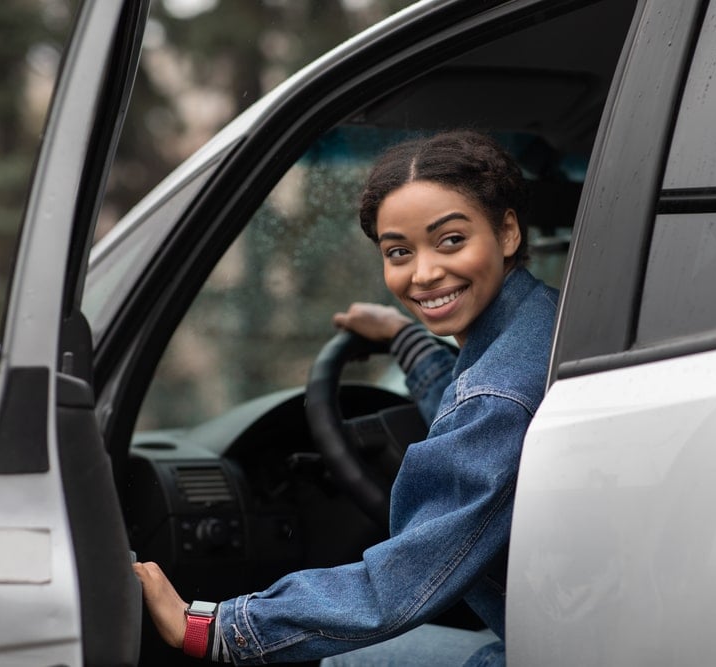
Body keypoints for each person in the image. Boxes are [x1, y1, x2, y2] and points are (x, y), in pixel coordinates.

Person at [133, 129, 559, 665]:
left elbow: (403, 585)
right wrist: (404, 339)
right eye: (399, 251)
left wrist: (218, 628)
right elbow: (472, 412)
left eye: (451, 240)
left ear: (508, 232)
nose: (424, 273)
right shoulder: (541, 322)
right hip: (562, 627)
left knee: (345, 660)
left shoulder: (498, 395)